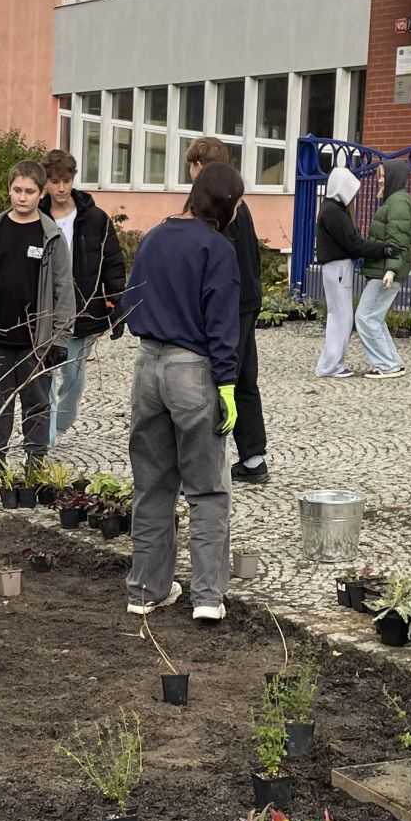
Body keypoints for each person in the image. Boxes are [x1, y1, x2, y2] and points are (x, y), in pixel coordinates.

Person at [122, 162, 243, 624]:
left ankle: (145, 590)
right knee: (207, 489)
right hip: (192, 372)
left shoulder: (153, 237)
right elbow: (222, 323)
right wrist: (227, 385)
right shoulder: (218, 249)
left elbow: (131, 301)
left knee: (152, 485)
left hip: (147, 367)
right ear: (226, 206)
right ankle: (208, 596)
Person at [0, 161, 75, 481]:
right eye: (17, 190)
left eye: (30, 191)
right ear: (9, 190)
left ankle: (35, 463)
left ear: (41, 194)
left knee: (37, 404)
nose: (22, 197)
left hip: (36, 341)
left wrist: (60, 338)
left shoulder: (51, 236)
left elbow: (63, 289)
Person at [185, 137, 267, 481]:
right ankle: (253, 458)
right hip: (248, 298)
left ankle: (207, 460)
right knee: (245, 378)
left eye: (192, 167)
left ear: (199, 166)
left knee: (219, 377)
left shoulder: (214, 205)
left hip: (230, 302)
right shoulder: (238, 202)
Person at [40, 148, 126, 440]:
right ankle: (46, 436)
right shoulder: (37, 217)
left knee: (73, 377)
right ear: (46, 183)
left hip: (83, 308)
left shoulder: (96, 219)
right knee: (44, 375)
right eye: (54, 182)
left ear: (73, 179)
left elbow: (112, 261)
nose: (61, 188)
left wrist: (117, 303)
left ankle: (61, 422)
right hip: (44, 309)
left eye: (66, 181)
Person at [355, 160, 411, 375]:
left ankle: (387, 365)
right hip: (384, 270)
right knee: (375, 318)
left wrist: (391, 270)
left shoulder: (397, 203)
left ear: (393, 177)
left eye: (383, 175)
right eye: (378, 175)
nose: (379, 180)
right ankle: (392, 362)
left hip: (385, 271)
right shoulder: (395, 201)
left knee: (365, 317)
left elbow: (398, 240)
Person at [313, 163, 373, 378]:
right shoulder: (334, 211)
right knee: (341, 317)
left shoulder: (330, 208)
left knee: (339, 315)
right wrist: (379, 249)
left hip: (335, 267)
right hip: (338, 267)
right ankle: (330, 365)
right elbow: (353, 243)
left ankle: (331, 363)